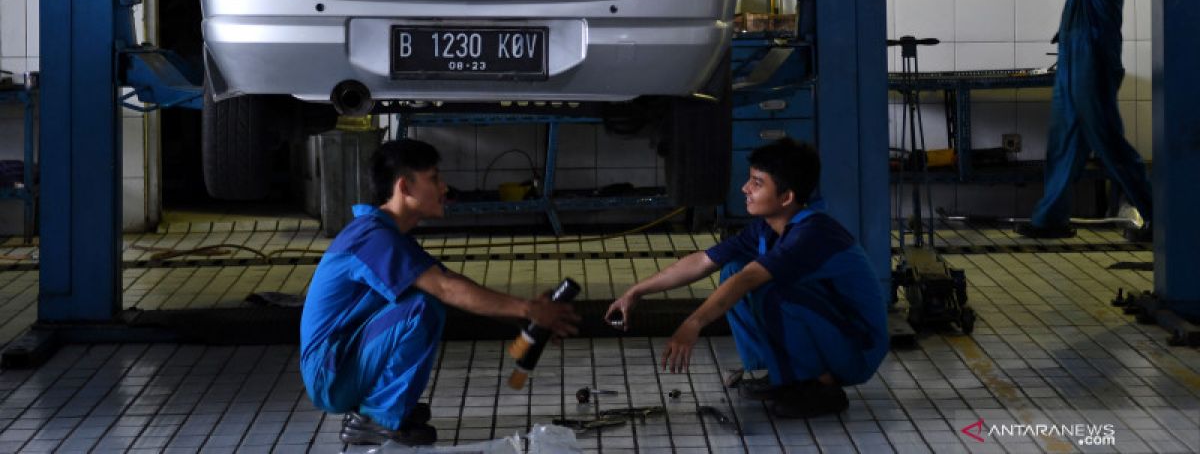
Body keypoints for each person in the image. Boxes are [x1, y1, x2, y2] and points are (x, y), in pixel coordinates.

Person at [299, 138, 581, 447]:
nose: (444, 187)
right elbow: (446, 289)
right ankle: (376, 418)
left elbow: (450, 280)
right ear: (404, 187)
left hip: (341, 364)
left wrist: (525, 318)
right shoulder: (371, 237)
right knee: (422, 306)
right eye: (433, 178)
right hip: (330, 375)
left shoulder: (388, 235)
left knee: (425, 300)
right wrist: (530, 310)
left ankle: (382, 405)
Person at [604, 138, 889, 419]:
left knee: (764, 287)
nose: (745, 188)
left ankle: (820, 384)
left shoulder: (812, 233)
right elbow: (703, 261)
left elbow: (749, 280)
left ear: (786, 197)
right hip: (833, 332)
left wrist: (692, 325)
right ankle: (779, 374)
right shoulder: (767, 228)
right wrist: (636, 292)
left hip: (856, 349)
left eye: (757, 182)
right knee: (732, 269)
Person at [1007, 0, 1153, 239]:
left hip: (1094, 67)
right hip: (1073, 66)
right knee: (1063, 143)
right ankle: (1051, 218)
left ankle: (1157, 216)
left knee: (1110, 144)